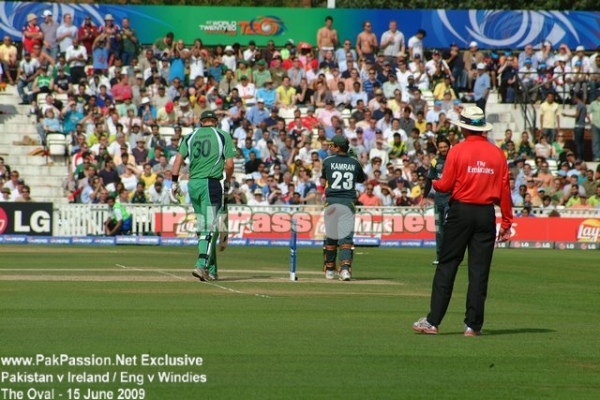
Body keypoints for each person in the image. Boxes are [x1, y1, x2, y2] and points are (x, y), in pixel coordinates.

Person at [413, 106, 513, 336]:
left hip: (461, 212)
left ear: (463, 127)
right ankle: (472, 326)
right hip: (486, 214)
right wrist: (507, 222)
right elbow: (505, 190)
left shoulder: (457, 150)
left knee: (447, 265)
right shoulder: (497, 154)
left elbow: (445, 185)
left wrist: (434, 184)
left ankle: (433, 321)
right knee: (479, 272)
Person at [172, 110, 236, 282]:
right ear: (215, 121)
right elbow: (229, 165)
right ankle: (202, 265)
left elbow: (177, 160)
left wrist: (173, 182)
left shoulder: (190, 136)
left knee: (204, 226)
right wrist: (228, 182)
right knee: (209, 226)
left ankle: (212, 269)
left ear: (201, 122)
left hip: (193, 185)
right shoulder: (222, 135)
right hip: (210, 184)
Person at [321, 136, 366, 281]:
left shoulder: (327, 161)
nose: (329, 147)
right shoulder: (355, 162)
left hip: (332, 203)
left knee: (331, 236)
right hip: (348, 203)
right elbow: (361, 179)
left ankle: (329, 268)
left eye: (332, 145)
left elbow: (324, 178)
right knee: (346, 237)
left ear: (338, 147)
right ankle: (345, 270)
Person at [422, 137, 451, 265]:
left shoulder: (454, 159)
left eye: (445, 146)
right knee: (439, 229)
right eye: (441, 147)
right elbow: (429, 180)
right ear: (438, 148)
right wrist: (424, 197)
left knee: (447, 226)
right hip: (438, 199)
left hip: (451, 199)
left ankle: (450, 255)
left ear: (449, 147)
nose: (443, 149)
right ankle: (440, 257)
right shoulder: (435, 162)